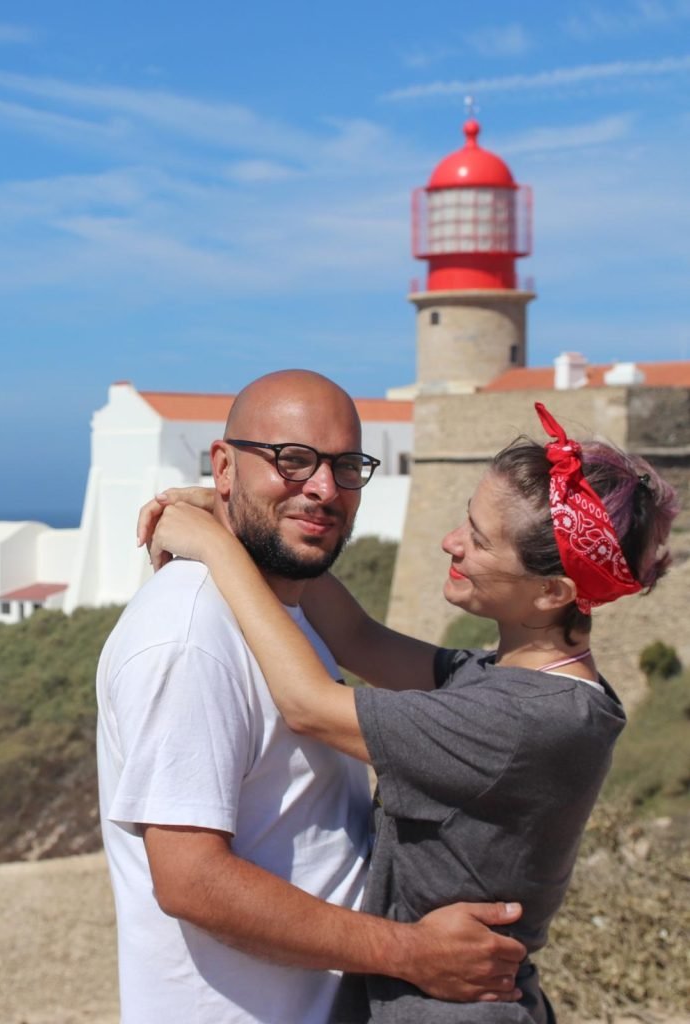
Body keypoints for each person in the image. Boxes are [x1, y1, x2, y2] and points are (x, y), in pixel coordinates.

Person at [146, 400, 678, 1023]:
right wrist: (242, 515)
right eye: (465, 521)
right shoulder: (523, 686)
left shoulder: (524, 722)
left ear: (552, 591)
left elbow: (310, 706)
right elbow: (358, 638)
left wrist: (216, 547)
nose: (451, 542)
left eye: (479, 540)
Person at [97, 369, 528, 1024]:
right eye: (291, 460)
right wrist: (408, 952)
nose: (323, 488)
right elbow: (190, 881)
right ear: (223, 463)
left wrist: (221, 515)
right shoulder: (189, 636)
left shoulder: (282, 606)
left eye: (345, 466)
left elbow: (359, 634)